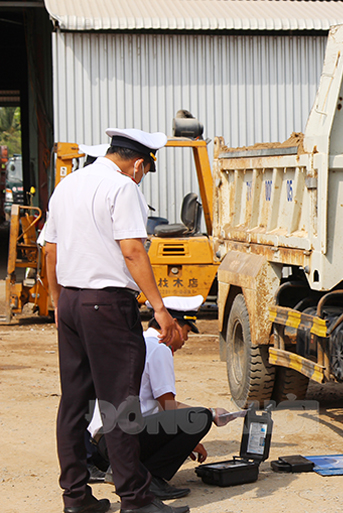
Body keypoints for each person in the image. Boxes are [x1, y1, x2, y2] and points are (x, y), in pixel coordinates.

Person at [44, 127, 185, 513]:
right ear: (138, 164)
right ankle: (135, 500)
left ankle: (76, 498)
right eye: (145, 170)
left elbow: (51, 253)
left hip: (72, 300)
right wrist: (159, 307)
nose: (141, 176)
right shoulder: (123, 188)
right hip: (106, 304)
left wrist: (59, 303)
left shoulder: (68, 185)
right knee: (120, 403)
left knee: (74, 403)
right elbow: (132, 250)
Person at [89, 295, 233, 500]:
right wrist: (210, 414)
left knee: (193, 418)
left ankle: (125, 469)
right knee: (200, 418)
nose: (185, 339)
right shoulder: (159, 348)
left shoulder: (135, 341)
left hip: (105, 444)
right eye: (186, 331)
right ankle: (148, 478)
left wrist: (187, 439)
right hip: (124, 440)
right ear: (173, 324)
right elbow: (168, 406)